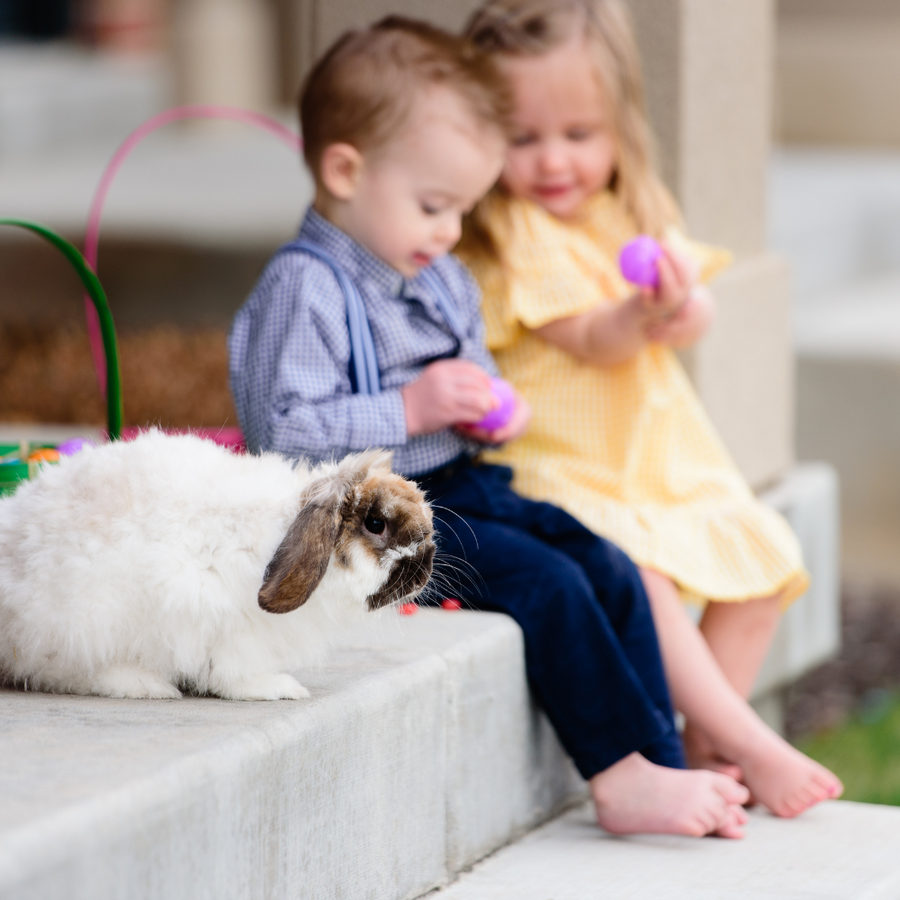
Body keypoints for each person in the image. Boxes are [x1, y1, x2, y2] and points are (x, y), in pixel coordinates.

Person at [228, 16, 752, 839]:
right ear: (344, 170)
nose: (448, 230)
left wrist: (491, 408)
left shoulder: (434, 275)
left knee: (603, 562)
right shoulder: (307, 289)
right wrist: (411, 408)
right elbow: (281, 433)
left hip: (461, 483)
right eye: (434, 205)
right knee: (548, 584)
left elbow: (467, 383)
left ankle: (661, 761)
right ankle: (617, 779)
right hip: (367, 522)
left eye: (462, 210)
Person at [457, 0, 842, 815]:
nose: (554, 161)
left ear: (618, 123)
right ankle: (743, 738)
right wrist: (640, 316)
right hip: (562, 462)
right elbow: (592, 335)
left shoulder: (628, 206)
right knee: (648, 574)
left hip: (653, 454)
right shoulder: (512, 229)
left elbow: (694, 311)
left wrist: (679, 304)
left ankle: (710, 742)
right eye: (524, 139)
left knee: (761, 567)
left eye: (579, 134)